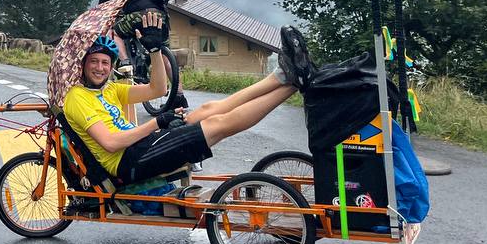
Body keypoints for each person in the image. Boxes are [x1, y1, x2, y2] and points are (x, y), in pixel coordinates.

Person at [62, 28, 313, 186]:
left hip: (142, 145)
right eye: (94, 62)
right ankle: (293, 86)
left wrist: (155, 51)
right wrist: (157, 122)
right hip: (129, 162)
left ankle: (281, 76)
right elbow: (110, 143)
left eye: (105, 62)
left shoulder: (110, 89)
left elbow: (158, 89)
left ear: (111, 66)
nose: (100, 68)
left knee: (206, 109)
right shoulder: (77, 97)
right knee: (216, 124)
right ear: (83, 65)